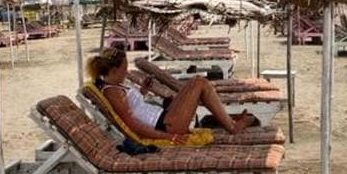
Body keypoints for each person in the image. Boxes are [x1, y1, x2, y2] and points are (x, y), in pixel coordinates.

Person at [86, 47, 254, 144]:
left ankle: (228, 119)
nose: (127, 71)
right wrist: (170, 137)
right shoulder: (113, 92)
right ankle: (232, 126)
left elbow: (135, 108)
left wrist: (142, 91)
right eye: (124, 68)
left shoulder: (114, 85)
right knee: (199, 83)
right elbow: (132, 125)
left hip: (163, 117)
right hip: (165, 126)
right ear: (114, 71)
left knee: (196, 83)